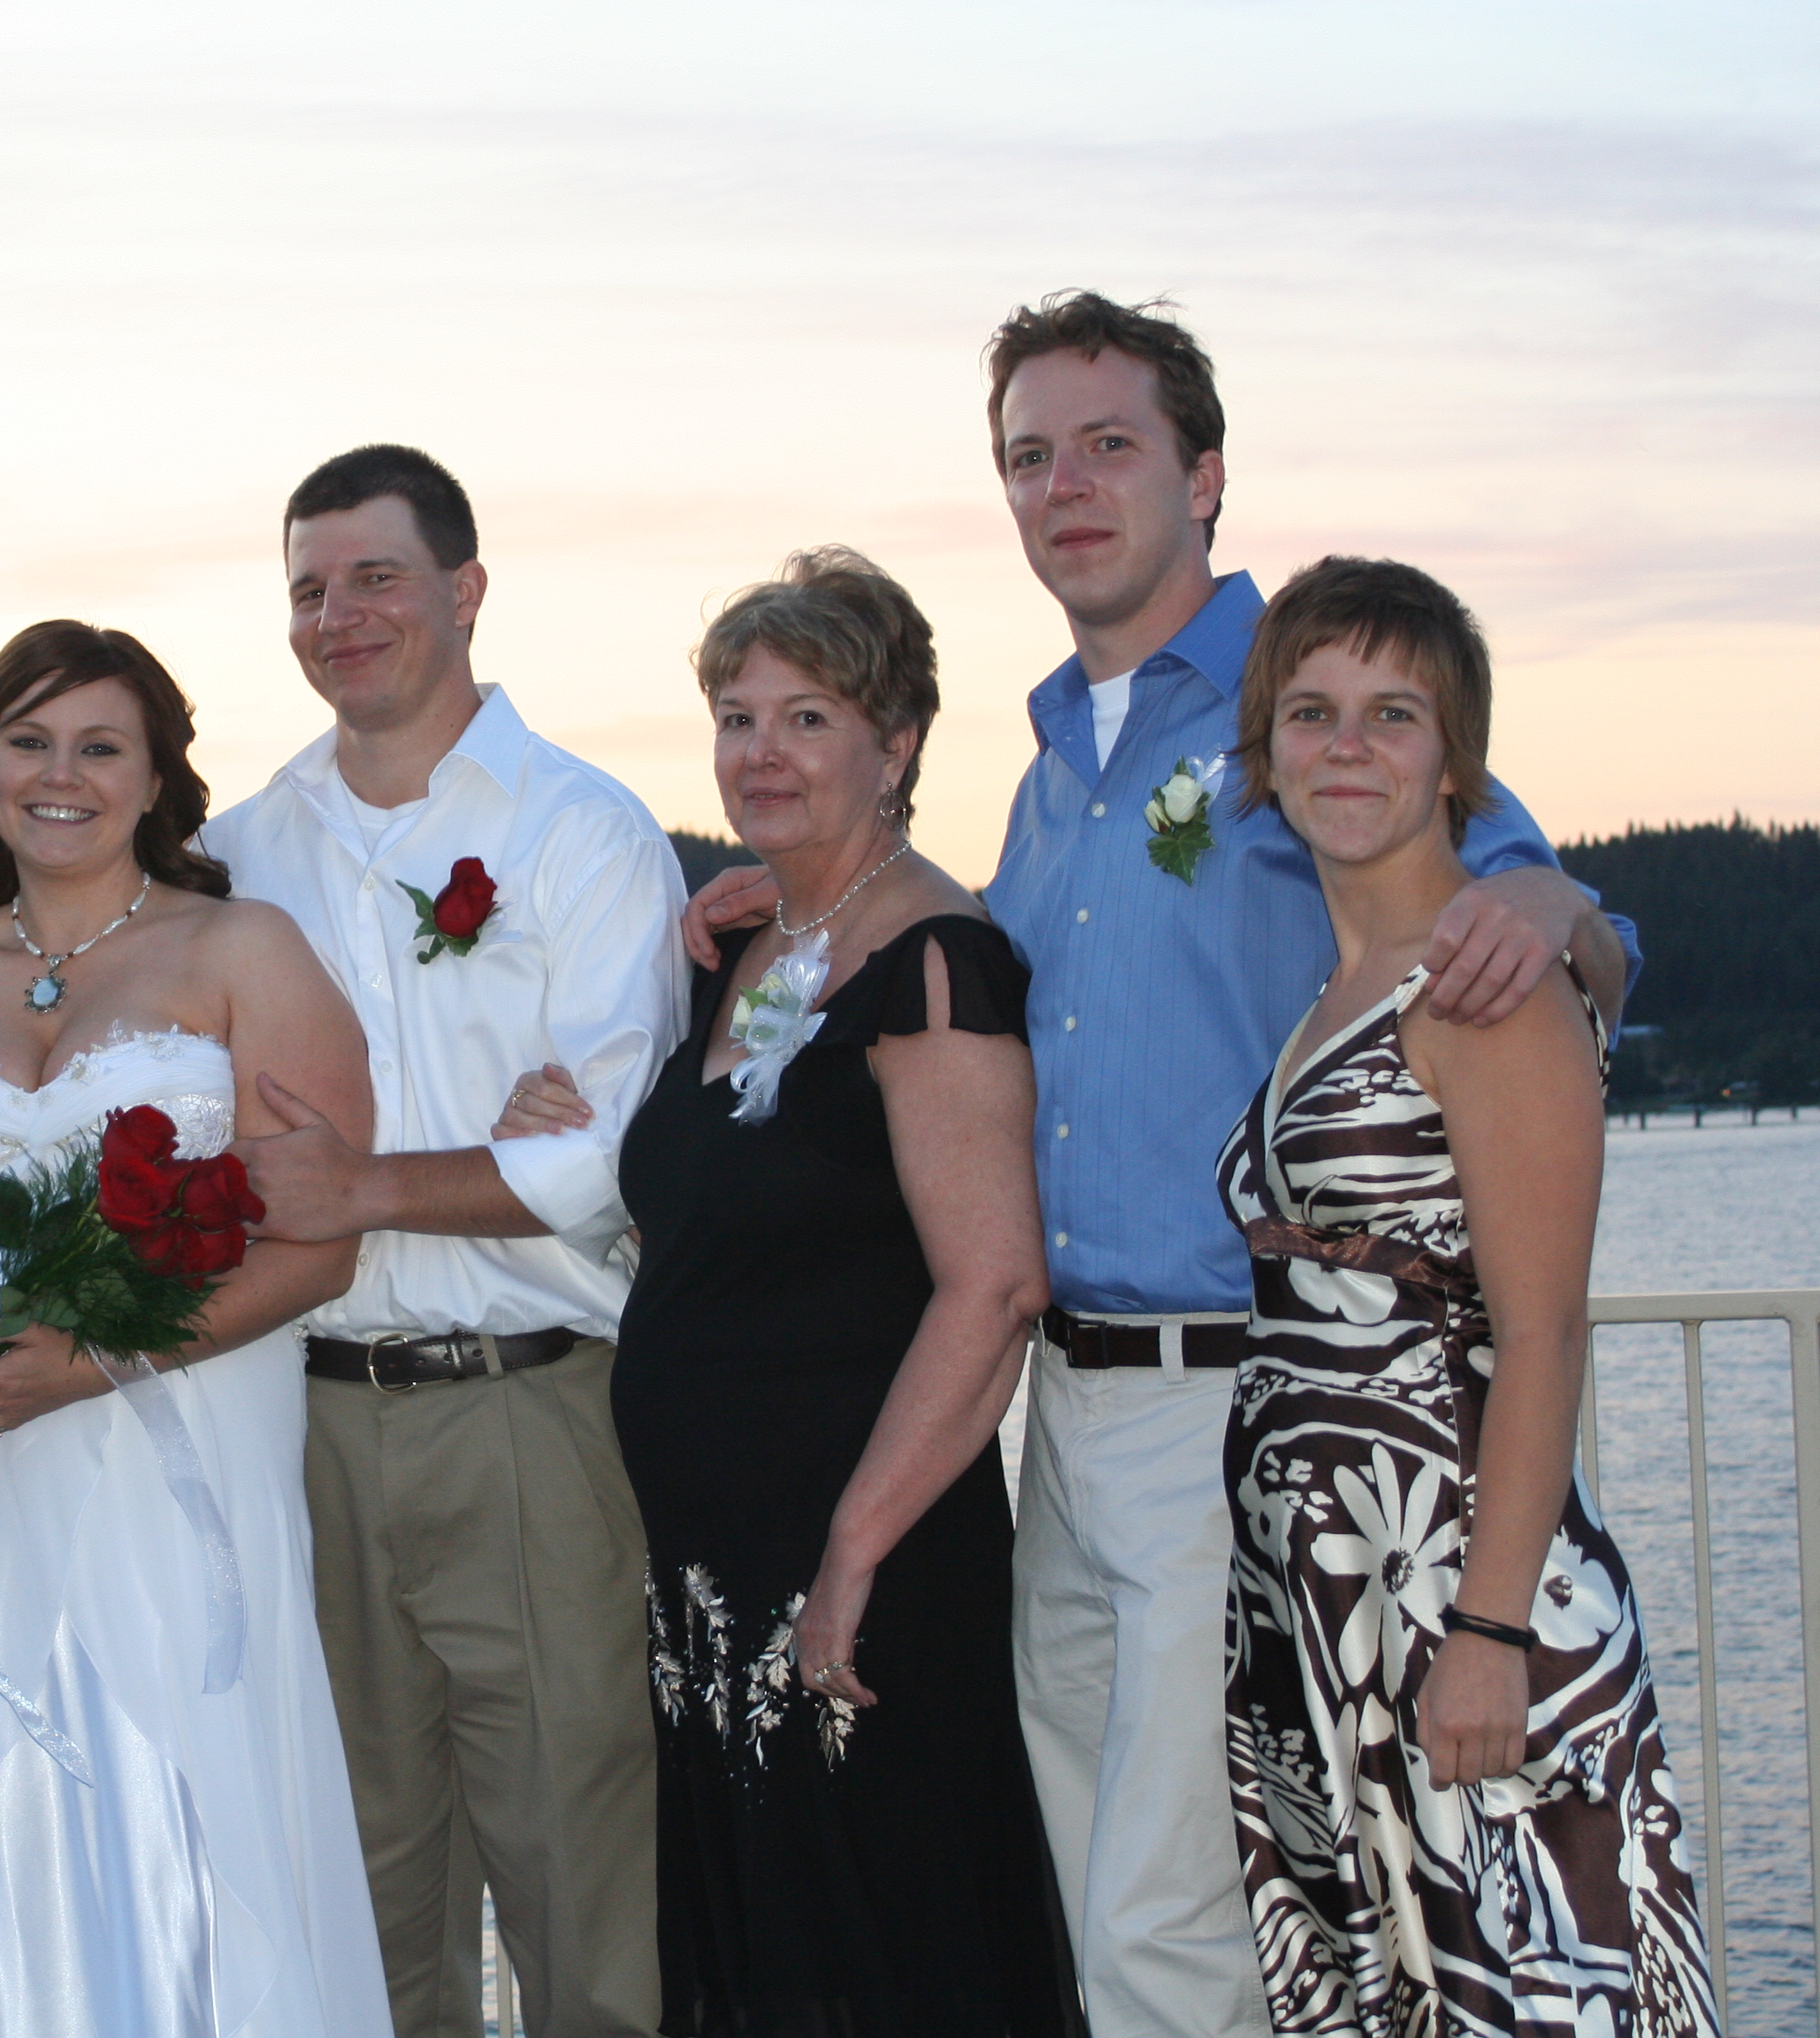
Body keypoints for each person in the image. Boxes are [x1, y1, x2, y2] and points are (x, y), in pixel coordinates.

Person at [684, 294, 1636, 2035]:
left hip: (1250, 1410)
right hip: (1069, 1417)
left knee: (1164, 1927)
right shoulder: (1054, 769)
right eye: (1030, 457)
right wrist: (805, 890)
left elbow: (1538, 924)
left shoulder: (1304, 711)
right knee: (1106, 1904)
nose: (1068, 487)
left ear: (1205, 475)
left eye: (1110, 445)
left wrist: (1561, 904)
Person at [502, 548, 1074, 2032]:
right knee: (754, 1946)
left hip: (857, 1559)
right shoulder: (749, 946)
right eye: (738, 716)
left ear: (896, 747)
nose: (763, 752)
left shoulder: (936, 962)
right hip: (707, 1572)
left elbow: (996, 1285)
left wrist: (854, 1557)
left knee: (875, 1941)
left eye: (809, 717)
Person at [0, 618, 389, 2035]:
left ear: (153, 779)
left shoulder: (244, 949)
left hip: (174, 1458)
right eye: (28, 741)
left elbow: (319, 1247)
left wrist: (91, 1363)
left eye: (98, 746)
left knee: (194, 1822)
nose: (59, 775)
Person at [205, 444, 688, 2038]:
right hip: (301, 1425)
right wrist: (490, 1147)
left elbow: (601, 1159)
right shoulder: (240, 850)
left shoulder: (582, 832)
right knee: (360, 1885)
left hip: (531, 1414)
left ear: (468, 590)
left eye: (376, 578)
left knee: (580, 1876)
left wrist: (362, 1186)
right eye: (308, 590)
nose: (339, 617)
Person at [1215, 557, 1716, 2035]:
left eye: (1392, 713)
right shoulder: (1343, 985)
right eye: (1310, 712)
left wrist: (1491, 1633)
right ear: (1266, 753)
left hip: (1454, 1599)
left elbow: (1540, 1325)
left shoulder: (1486, 984)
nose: (1346, 746)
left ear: (1456, 763)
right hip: (1335, 1606)